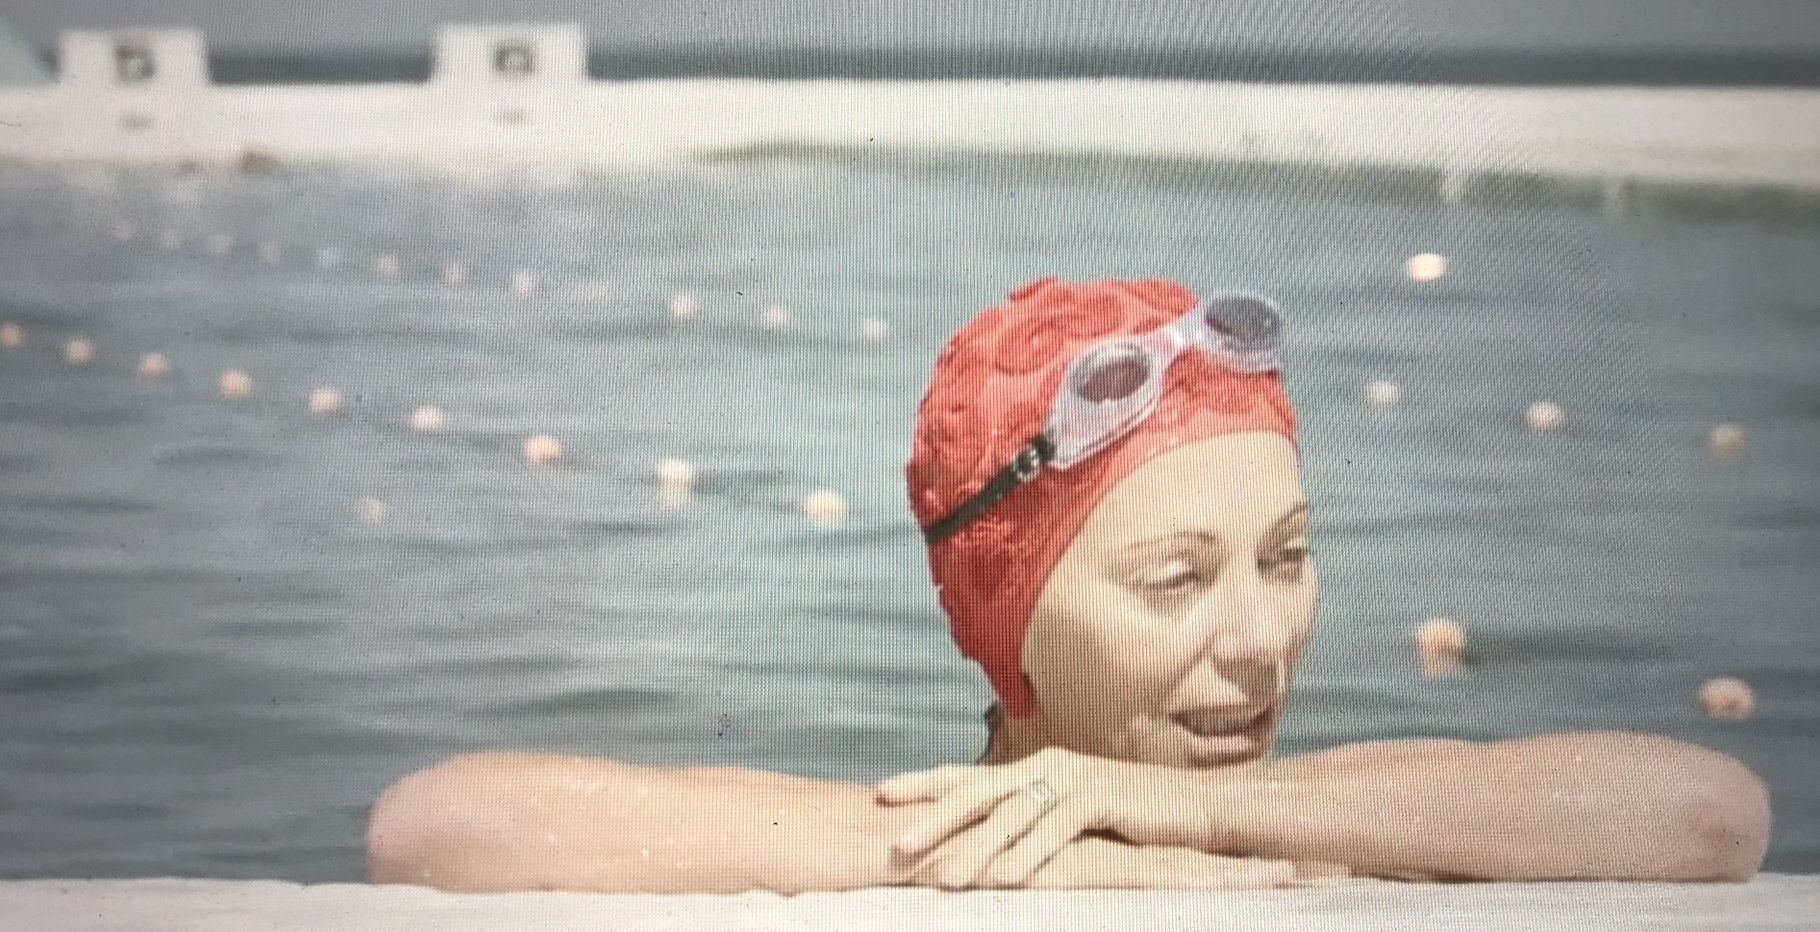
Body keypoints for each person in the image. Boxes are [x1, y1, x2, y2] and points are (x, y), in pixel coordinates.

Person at [365, 277, 1771, 893]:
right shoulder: (943, 835)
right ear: (1011, 630)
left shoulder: (1304, 808)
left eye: (1287, 558)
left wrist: (1165, 807)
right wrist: (1053, 844)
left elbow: (1715, 816)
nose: (1259, 643)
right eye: (1174, 582)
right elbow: (436, 824)